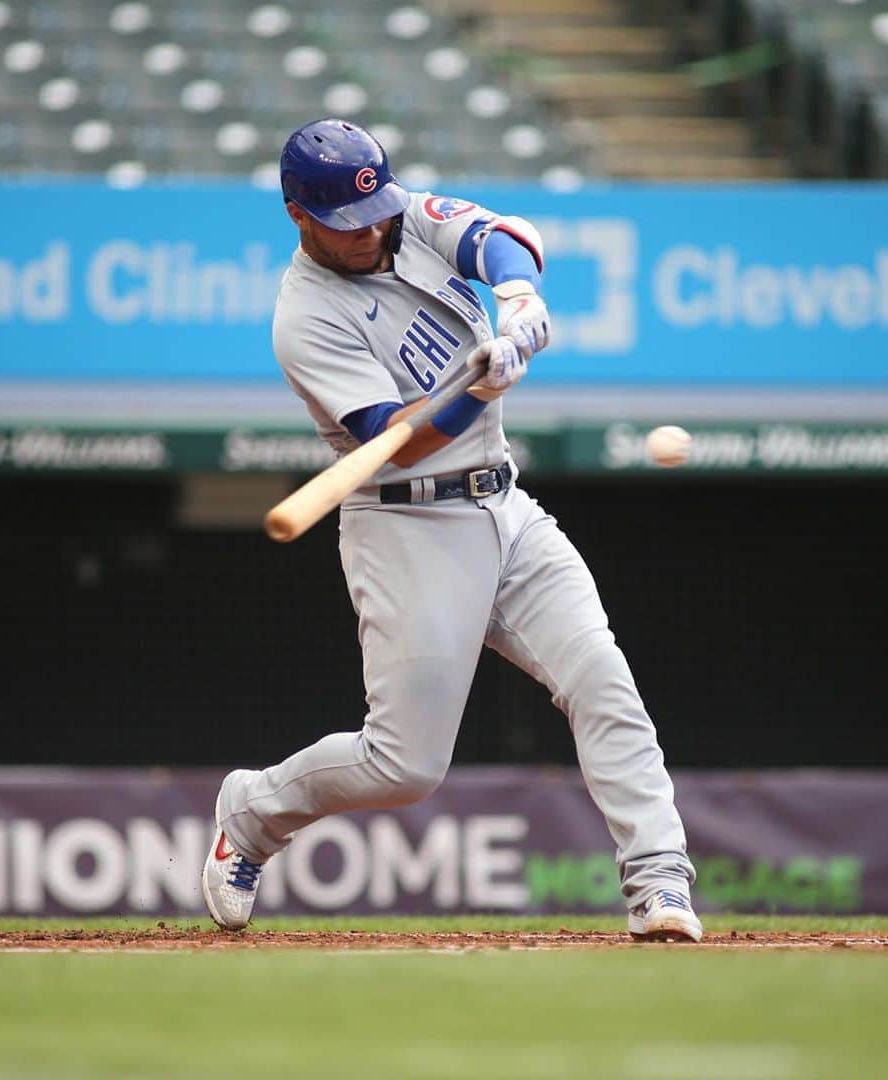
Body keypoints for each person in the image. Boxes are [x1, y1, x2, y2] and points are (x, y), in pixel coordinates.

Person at [202, 118, 702, 942]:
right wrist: (477, 386)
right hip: (409, 524)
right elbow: (398, 434)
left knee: (600, 676)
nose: (368, 235)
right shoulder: (305, 318)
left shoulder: (403, 218)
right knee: (404, 768)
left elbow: (503, 237)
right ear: (299, 215)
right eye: (345, 226)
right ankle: (254, 810)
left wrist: (517, 299)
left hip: (504, 505)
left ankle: (658, 881)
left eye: (375, 217)